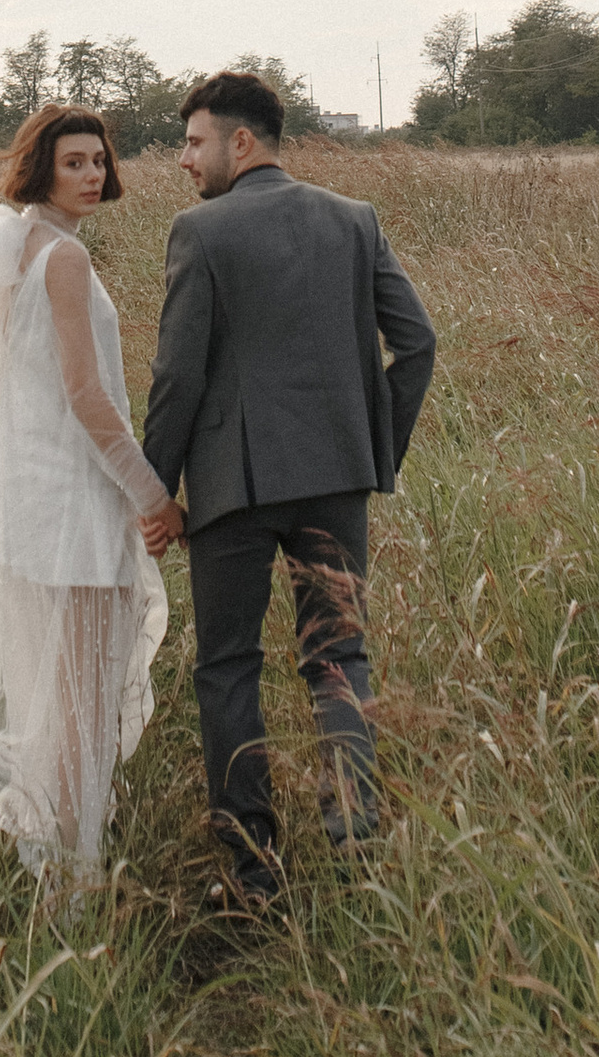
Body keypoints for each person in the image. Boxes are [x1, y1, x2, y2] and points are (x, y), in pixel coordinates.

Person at [140, 71, 436, 904]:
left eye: (195, 141)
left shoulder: (200, 232)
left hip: (234, 488)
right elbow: (417, 345)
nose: (184, 160)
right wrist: (373, 454)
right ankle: (354, 841)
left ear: (242, 142)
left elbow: (176, 376)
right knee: (339, 657)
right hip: (338, 478)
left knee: (228, 667)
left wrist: (155, 489)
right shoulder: (354, 221)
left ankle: (254, 871)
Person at [0, 104, 175, 885]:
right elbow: (88, 397)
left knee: (61, 704)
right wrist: (153, 497)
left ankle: (52, 860)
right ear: (42, 170)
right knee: (81, 713)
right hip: (74, 509)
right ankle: (68, 883)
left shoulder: (20, 248)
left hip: (37, 506)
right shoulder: (61, 260)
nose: (92, 175)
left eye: (98, 161)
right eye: (74, 163)